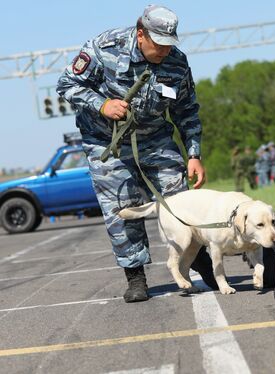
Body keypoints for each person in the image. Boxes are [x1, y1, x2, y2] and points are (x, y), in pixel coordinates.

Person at [57, 5, 215, 303]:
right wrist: (102, 105)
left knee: (179, 199)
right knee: (122, 206)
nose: (165, 50)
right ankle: (136, 275)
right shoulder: (104, 48)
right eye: (159, 44)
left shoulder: (177, 64)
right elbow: (67, 85)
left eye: (170, 44)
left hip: (155, 138)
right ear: (140, 33)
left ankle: (198, 257)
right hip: (107, 141)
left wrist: (194, 154)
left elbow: (187, 111)